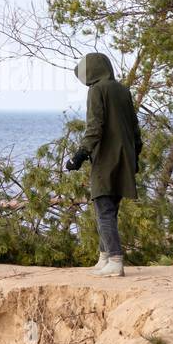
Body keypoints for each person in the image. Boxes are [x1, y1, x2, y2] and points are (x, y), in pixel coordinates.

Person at [65, 53, 142, 277]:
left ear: (93, 70)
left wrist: (78, 156)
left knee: (104, 208)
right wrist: (134, 157)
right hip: (125, 156)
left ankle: (115, 260)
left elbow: (94, 127)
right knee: (110, 208)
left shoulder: (97, 90)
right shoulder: (122, 90)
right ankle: (104, 257)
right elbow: (135, 129)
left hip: (106, 157)